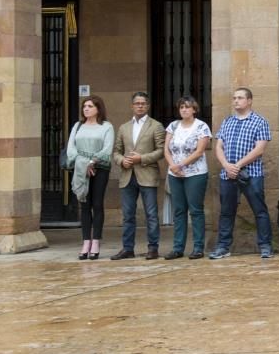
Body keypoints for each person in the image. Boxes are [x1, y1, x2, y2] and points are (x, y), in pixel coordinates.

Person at [210, 87, 274, 259]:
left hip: (251, 174)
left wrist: (236, 165)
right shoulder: (227, 121)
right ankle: (223, 247)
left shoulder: (260, 121)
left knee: (260, 211)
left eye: (240, 98)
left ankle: (265, 246)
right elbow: (218, 146)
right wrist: (226, 165)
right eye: (234, 98)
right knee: (226, 212)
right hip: (227, 175)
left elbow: (259, 149)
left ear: (249, 101)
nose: (236, 101)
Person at [110, 92, 166, 260]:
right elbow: (116, 151)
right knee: (128, 215)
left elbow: (161, 151)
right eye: (137, 103)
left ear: (148, 106)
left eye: (143, 103)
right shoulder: (124, 127)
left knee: (151, 214)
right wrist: (121, 161)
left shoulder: (156, 126)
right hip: (127, 175)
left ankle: (153, 248)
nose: (140, 106)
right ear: (132, 106)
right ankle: (128, 248)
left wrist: (141, 158)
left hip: (147, 173)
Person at [163, 95, 212, 260]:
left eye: (187, 107)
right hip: (174, 173)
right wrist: (173, 166)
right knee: (179, 211)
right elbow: (166, 150)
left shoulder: (201, 127)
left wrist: (180, 165)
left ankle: (198, 247)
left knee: (196, 210)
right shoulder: (173, 126)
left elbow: (199, 151)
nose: (184, 109)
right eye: (181, 107)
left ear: (194, 109)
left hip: (195, 173)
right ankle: (178, 248)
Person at [66, 95, 114, 260]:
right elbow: (71, 148)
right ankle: (86, 241)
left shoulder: (106, 127)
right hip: (81, 169)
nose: (86, 109)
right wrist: (83, 163)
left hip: (99, 168)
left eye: (90, 106)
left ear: (98, 109)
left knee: (97, 204)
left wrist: (92, 162)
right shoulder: (78, 126)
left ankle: (96, 241)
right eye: (85, 106)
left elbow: (107, 149)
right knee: (84, 205)